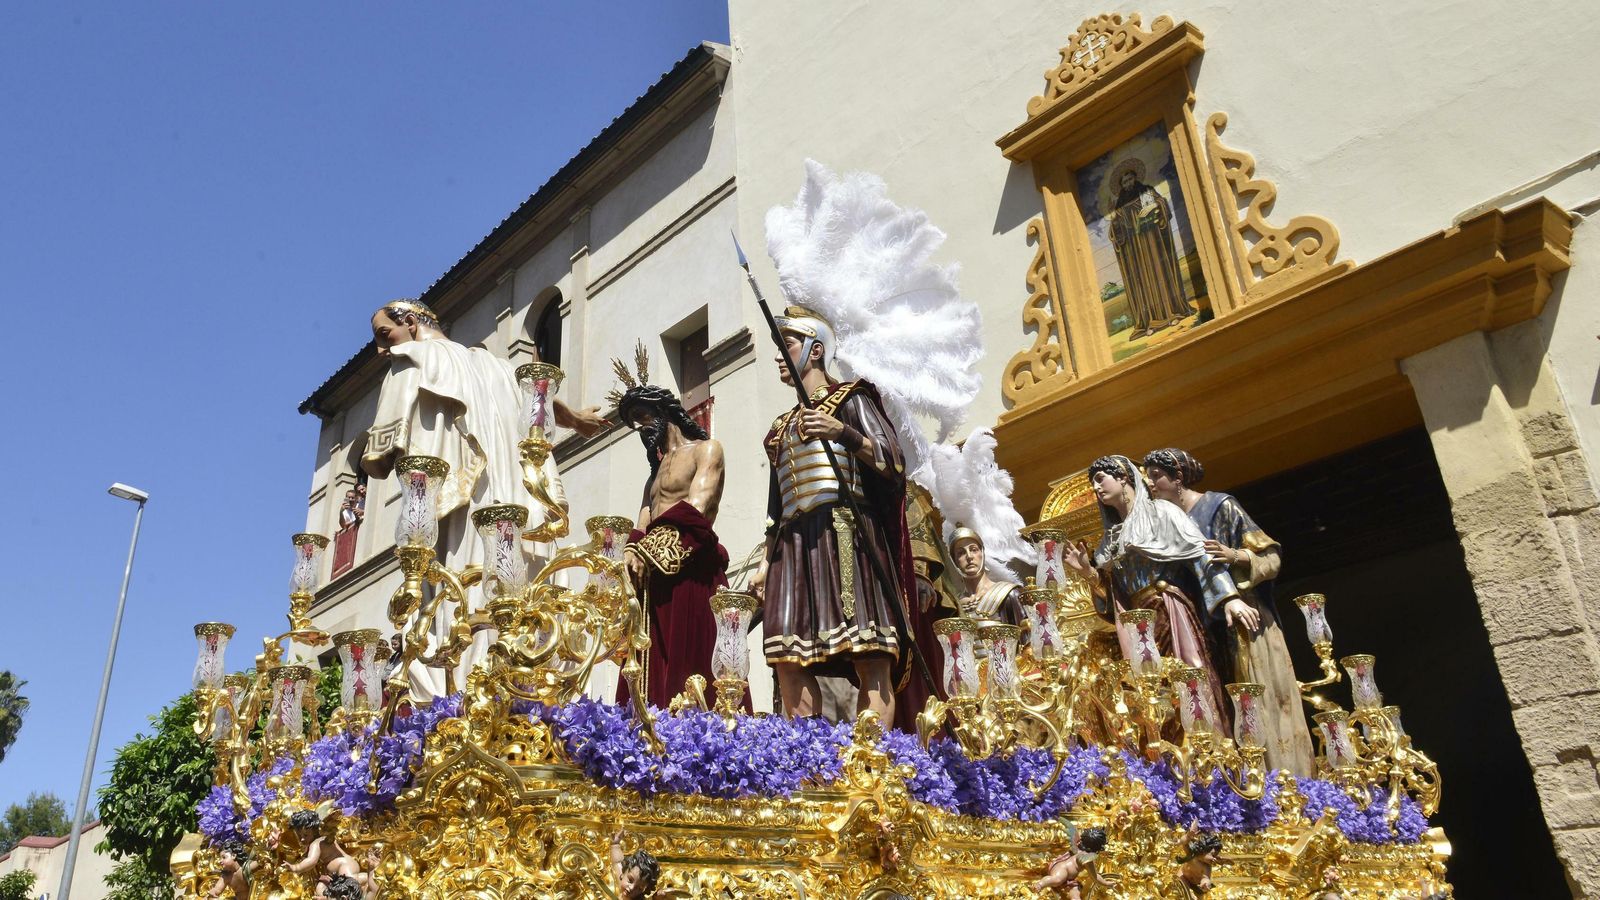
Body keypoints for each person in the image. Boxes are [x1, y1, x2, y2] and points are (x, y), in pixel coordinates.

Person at [361, 299, 605, 701]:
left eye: (384, 335)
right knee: (522, 591)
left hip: (464, 505)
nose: (381, 349)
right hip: (518, 503)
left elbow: (379, 459)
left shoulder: (410, 359)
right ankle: (523, 685)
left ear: (410, 323)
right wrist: (577, 419)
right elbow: (539, 397)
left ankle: (459, 696)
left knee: (457, 588)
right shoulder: (496, 365)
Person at [751, 307, 916, 724]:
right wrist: (764, 562)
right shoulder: (781, 427)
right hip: (792, 544)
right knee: (787, 652)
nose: (779, 357)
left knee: (869, 650)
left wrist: (842, 432)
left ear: (815, 350)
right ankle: (811, 760)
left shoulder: (851, 398)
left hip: (846, 534)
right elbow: (776, 505)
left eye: (785, 345)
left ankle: (872, 761)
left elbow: (893, 461)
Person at [1145, 448, 1315, 775]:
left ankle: (1285, 782)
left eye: (1157, 476)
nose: (1151, 484)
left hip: (1248, 622)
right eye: (1148, 477)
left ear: (1178, 477)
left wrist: (1234, 555)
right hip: (1206, 630)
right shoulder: (1166, 523)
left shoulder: (1219, 506)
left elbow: (1272, 558)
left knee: (1261, 698)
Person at [1062, 455, 1241, 734]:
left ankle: (1208, 752)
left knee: (1188, 680)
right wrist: (1088, 572)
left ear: (1123, 477)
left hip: (1170, 610)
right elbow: (1114, 597)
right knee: (1150, 696)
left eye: (1100, 479)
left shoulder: (1162, 513)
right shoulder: (1111, 539)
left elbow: (1200, 554)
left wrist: (1229, 598)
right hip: (1136, 625)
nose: (1096, 488)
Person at [608, 345, 731, 710]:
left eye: (643, 418)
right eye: (635, 423)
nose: (641, 428)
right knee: (646, 669)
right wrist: (630, 548)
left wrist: (646, 549)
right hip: (651, 579)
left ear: (663, 412)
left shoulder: (706, 450)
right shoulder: (655, 472)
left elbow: (698, 506)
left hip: (691, 569)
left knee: (688, 668)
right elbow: (645, 515)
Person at [1106, 161, 1192, 337]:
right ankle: (1150, 323)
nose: (1128, 183)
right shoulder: (1120, 204)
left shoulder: (1146, 191)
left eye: (1130, 179)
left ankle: (1172, 313)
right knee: (1143, 284)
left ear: (1135, 178)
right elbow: (1118, 230)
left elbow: (1161, 205)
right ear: (1121, 186)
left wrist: (1154, 206)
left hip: (1154, 244)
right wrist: (1114, 220)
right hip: (1136, 252)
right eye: (1124, 182)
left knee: (1162, 276)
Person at [1036, 826, 1107, 897]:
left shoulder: (1077, 846)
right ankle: (1040, 885)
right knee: (1057, 879)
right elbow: (1094, 876)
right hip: (1062, 869)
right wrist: (1106, 883)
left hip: (1070, 879)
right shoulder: (1088, 859)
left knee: (1075, 892)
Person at [610, 830, 661, 899]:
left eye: (639, 888)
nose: (631, 888)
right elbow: (617, 862)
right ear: (623, 873)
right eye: (630, 880)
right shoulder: (621, 880)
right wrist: (615, 844)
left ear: (645, 890)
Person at [1176, 831, 1223, 895]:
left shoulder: (1207, 867)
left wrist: (1205, 884)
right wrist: (1187, 837)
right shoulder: (1192, 854)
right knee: (1183, 890)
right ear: (1203, 851)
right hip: (1183, 876)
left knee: (1198, 896)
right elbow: (1184, 843)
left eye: (1215, 856)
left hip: (1196, 884)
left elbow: (1205, 878)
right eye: (1212, 855)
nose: (1214, 858)